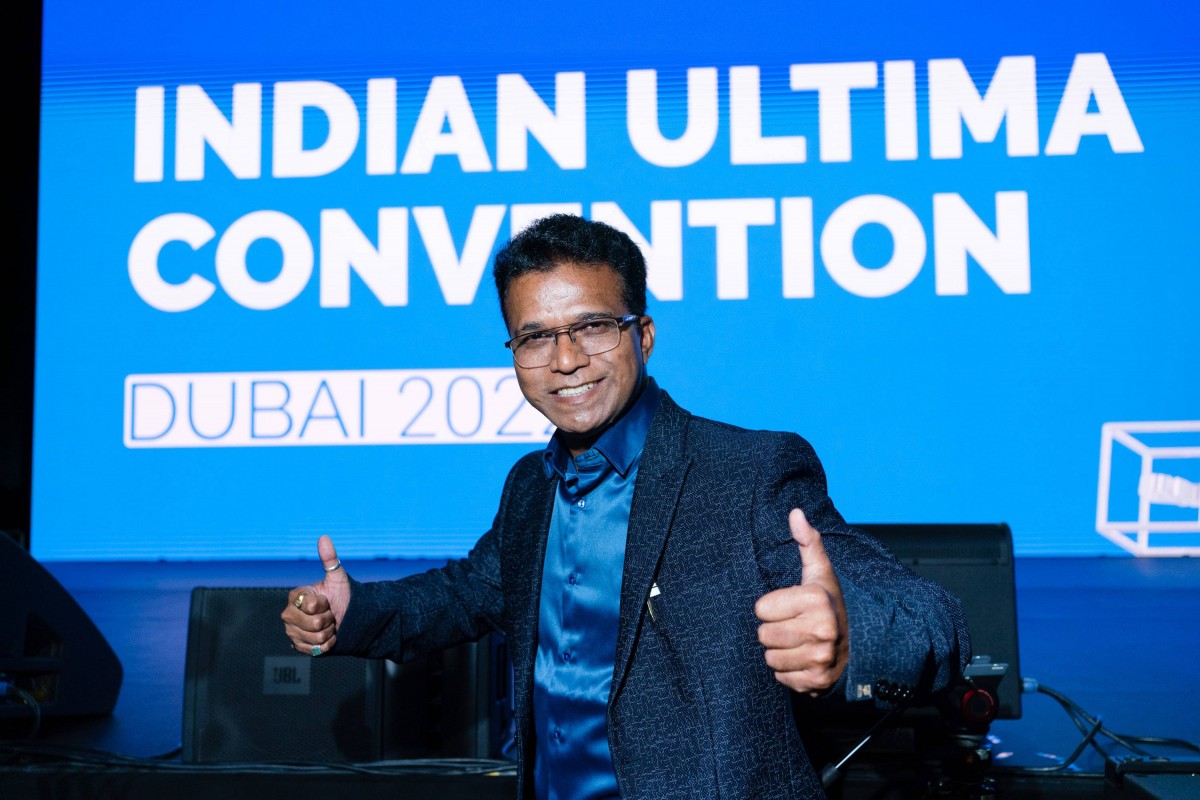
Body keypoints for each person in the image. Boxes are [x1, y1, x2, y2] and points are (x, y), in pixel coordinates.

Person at [281, 214, 969, 799]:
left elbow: (930, 614)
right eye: (535, 337)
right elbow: (466, 594)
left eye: (592, 327)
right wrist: (353, 614)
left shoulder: (748, 471)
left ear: (643, 335)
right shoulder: (530, 486)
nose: (565, 359)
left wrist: (851, 637)